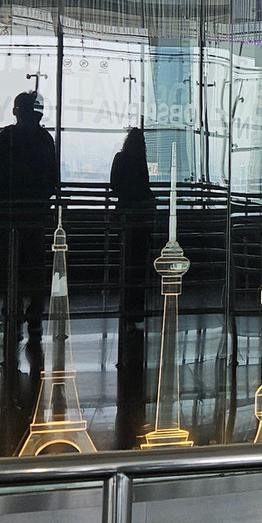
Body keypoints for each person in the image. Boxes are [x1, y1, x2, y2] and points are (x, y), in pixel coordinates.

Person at [0, 91, 58, 336]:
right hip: (35, 212)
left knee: (9, 262)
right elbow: (51, 178)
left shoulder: (6, 138)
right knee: (35, 263)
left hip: (9, 213)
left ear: (16, 112)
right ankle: (34, 312)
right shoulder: (44, 139)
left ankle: (12, 306)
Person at [110, 128, 156, 371]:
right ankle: (136, 312)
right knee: (138, 265)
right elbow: (144, 187)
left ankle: (127, 310)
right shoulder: (140, 161)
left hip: (126, 217)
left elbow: (115, 185)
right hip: (140, 218)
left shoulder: (121, 159)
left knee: (127, 263)